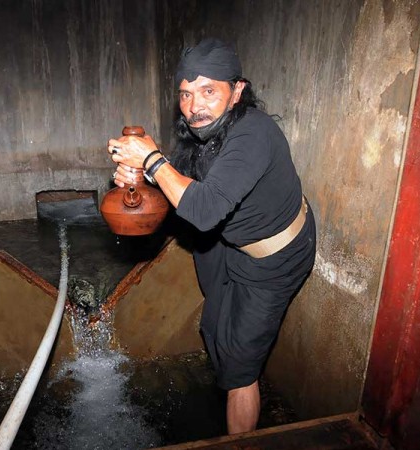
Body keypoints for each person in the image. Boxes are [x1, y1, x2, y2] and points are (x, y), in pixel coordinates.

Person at [106, 38, 316, 434]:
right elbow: (184, 195)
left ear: (237, 91)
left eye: (208, 91)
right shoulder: (201, 133)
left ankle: (240, 435)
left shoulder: (254, 133)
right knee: (214, 324)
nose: (193, 106)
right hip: (226, 239)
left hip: (275, 256)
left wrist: (152, 161)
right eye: (185, 94)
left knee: (239, 367)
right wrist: (139, 183)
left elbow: (202, 210)